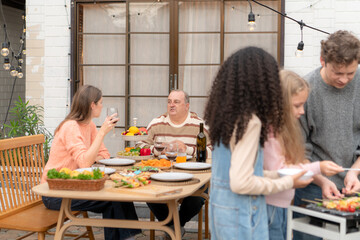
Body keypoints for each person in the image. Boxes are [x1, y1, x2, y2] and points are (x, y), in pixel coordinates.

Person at [204, 46, 313, 240]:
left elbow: (238, 173)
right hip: (243, 218)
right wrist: (288, 181)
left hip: (222, 212)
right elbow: (241, 183)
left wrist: (278, 174)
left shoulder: (227, 118)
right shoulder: (250, 122)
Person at [41, 85, 140, 240]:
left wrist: (104, 158)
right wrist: (102, 133)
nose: (102, 106)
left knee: (119, 193)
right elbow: (84, 163)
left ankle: (128, 235)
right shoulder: (70, 127)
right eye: (100, 103)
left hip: (74, 186)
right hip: (55, 191)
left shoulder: (90, 125)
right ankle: (127, 237)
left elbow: (103, 155)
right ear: (92, 105)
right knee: (111, 200)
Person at [293, 30, 360, 240]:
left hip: (354, 184)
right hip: (313, 185)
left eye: (350, 73)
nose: (344, 79)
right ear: (323, 60)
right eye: (337, 73)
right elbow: (298, 151)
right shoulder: (306, 90)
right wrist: (322, 181)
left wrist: (354, 172)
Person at [263, 70, 343, 240]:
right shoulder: (270, 133)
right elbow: (279, 171)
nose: (302, 112)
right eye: (297, 105)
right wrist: (318, 167)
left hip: (280, 205)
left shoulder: (280, 130)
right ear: (281, 103)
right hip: (271, 207)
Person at [137, 89, 212, 234]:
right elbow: (140, 146)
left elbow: (214, 151)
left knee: (197, 198)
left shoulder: (199, 125)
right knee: (148, 194)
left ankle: (173, 226)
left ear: (187, 105)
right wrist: (160, 150)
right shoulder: (157, 123)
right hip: (161, 177)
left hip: (194, 177)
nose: (172, 105)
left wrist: (188, 150)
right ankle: (174, 228)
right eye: (169, 101)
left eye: (176, 102)